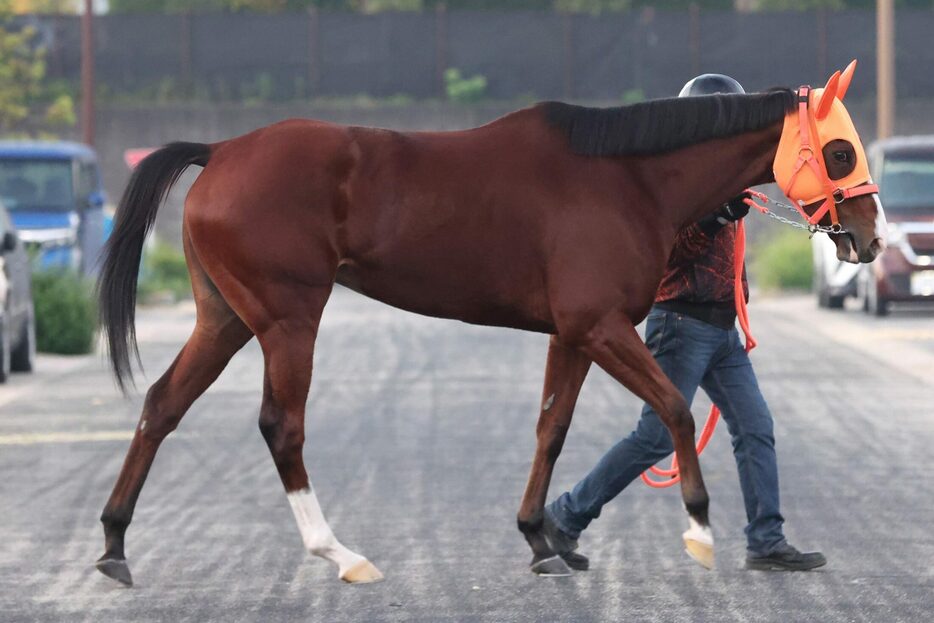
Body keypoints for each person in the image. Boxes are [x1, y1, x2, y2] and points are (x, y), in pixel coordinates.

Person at [543, 74, 827, 572]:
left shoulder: (721, 178)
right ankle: (563, 520)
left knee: (755, 427)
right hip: (680, 323)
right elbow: (666, 251)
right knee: (654, 438)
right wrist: (718, 216)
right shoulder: (669, 183)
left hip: (721, 332)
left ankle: (766, 540)